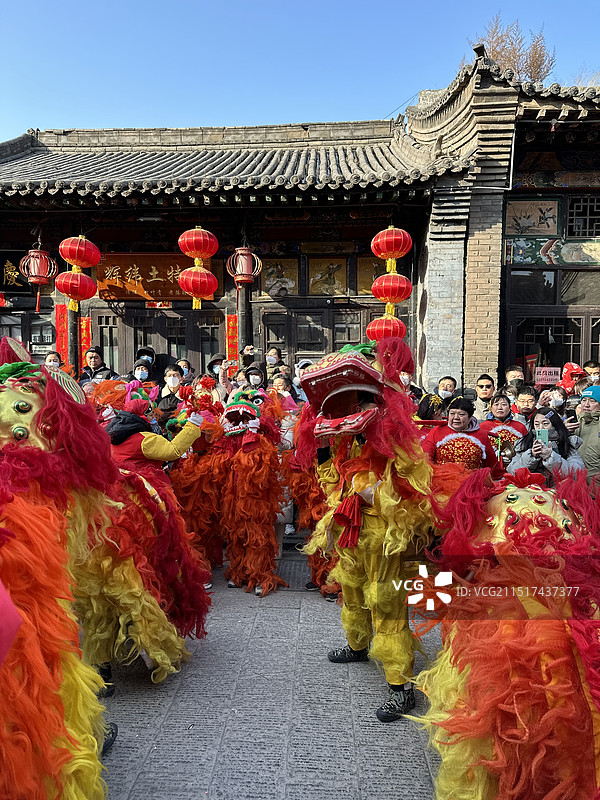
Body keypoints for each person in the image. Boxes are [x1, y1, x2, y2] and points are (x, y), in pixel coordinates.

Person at [422, 396, 503, 477]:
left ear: (470, 418)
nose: (456, 417)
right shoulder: (437, 431)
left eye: (461, 414)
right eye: (452, 413)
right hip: (440, 481)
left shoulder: (481, 435)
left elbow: (492, 465)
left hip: (472, 482)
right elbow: (425, 458)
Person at [507, 408, 585, 487]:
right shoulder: (525, 443)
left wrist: (550, 457)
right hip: (532, 493)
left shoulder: (567, 442)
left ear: (554, 424)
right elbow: (512, 471)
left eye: (545, 424)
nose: (541, 428)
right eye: (537, 424)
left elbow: (577, 472)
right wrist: (531, 456)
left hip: (559, 493)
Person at [479, 393, 528, 463]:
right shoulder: (482, 427)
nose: (500, 408)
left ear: (509, 408)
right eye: (496, 404)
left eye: (504, 404)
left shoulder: (520, 427)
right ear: (491, 408)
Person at [575, 385, 600, 484]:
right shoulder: (574, 422)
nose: (586, 405)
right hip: (576, 480)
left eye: (592, 401)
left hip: (596, 481)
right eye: (584, 400)